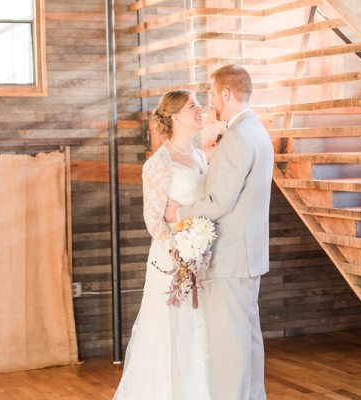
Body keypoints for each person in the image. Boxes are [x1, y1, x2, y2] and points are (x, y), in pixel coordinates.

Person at [165, 64, 274, 400]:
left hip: (230, 258)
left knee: (230, 349)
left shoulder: (238, 136)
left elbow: (218, 201)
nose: (210, 102)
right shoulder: (256, 130)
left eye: (212, 94)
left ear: (226, 93)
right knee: (247, 342)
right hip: (248, 256)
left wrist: (178, 213)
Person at [114, 90, 212, 400]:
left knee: (198, 329)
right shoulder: (159, 163)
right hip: (173, 262)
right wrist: (181, 255)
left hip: (201, 258)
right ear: (176, 116)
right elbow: (154, 220)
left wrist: (199, 251)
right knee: (171, 329)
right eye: (193, 106)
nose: (200, 109)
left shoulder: (200, 156)